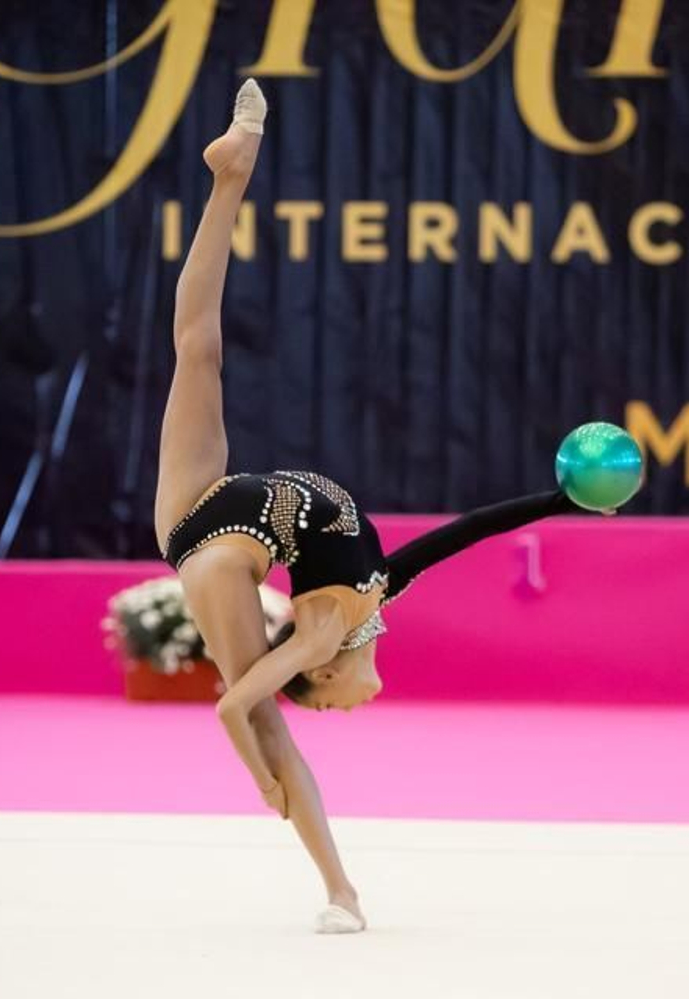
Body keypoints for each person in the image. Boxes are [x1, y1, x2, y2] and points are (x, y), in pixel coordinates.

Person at [156, 80, 598, 934]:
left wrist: (262, 775)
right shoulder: (379, 590)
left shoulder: (321, 634)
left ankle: (341, 893)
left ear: (322, 668)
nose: (348, 706)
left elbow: (231, 705)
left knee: (262, 721)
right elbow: (465, 532)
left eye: (325, 701)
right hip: (233, 504)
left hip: (210, 542)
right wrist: (559, 499)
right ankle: (231, 174)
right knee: (197, 345)